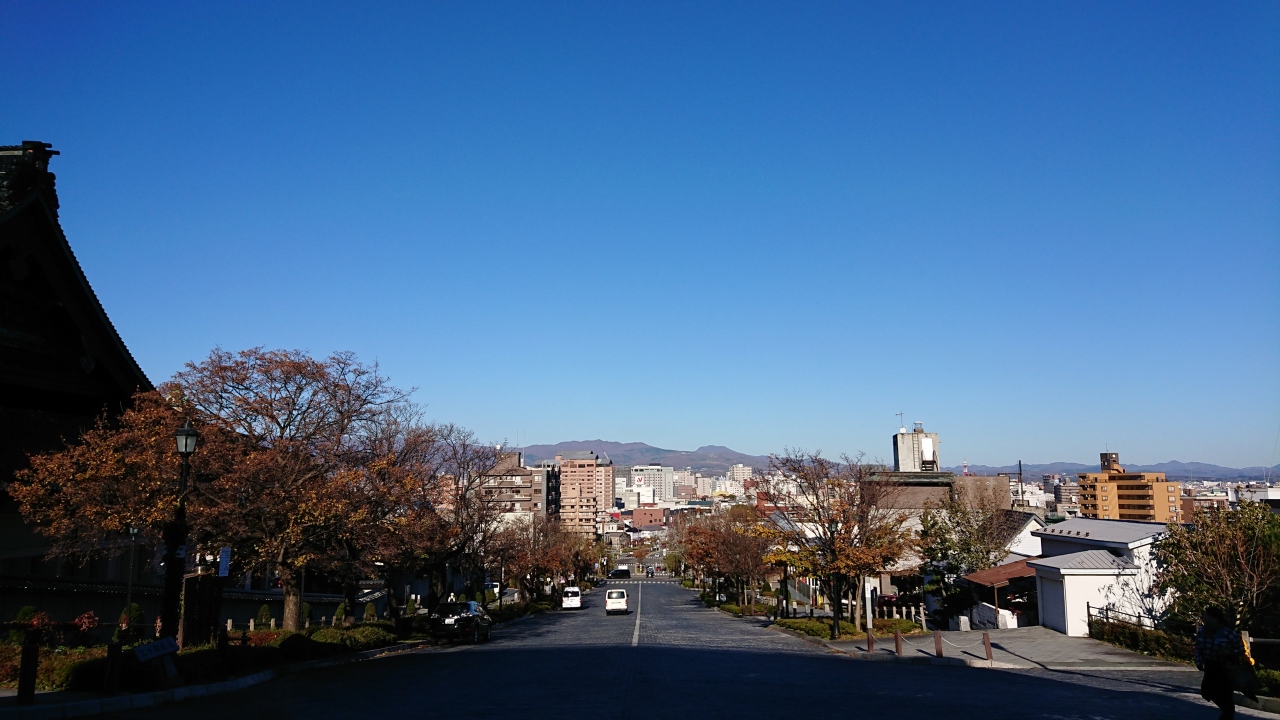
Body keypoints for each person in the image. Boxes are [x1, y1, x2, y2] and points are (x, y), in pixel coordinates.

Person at [1194, 606, 1249, 719]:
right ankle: (1227, 711)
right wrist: (1199, 661)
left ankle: (1227, 713)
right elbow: (1198, 647)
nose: (1204, 617)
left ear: (1215, 618)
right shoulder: (1203, 631)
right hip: (1210, 665)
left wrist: (1229, 653)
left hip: (1225, 667)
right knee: (1206, 692)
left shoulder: (1227, 632)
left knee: (1225, 694)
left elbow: (1240, 649)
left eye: (1207, 616)